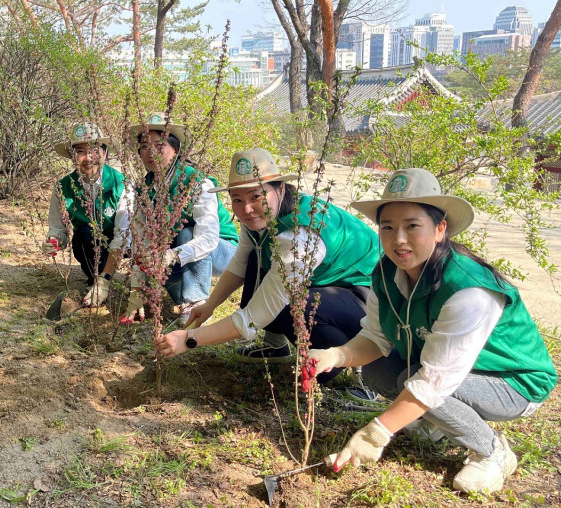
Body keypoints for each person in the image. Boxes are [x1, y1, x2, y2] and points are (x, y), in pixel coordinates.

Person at [306, 168, 557, 493]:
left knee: (417, 385)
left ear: (440, 230)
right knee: (378, 370)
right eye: (388, 227)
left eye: (412, 226)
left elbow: (436, 381)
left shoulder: (467, 289)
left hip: (514, 380)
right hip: (447, 368)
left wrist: (376, 433)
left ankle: (492, 451)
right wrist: (335, 355)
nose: (398, 239)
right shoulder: (387, 273)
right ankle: (434, 421)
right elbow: (375, 339)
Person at [154, 147, 380, 384]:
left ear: (280, 188)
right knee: (257, 258)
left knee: (289, 305)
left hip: (367, 297)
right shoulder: (260, 218)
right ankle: (275, 346)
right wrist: (209, 305)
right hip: (328, 282)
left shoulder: (299, 236)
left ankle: (352, 360)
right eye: (237, 200)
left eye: (256, 196)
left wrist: (190, 339)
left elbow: (256, 316)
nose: (246, 209)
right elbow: (241, 263)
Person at [120, 112, 239, 325]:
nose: (151, 152)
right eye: (145, 146)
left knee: (186, 232)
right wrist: (136, 289)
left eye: (159, 145)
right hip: (180, 254)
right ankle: (185, 299)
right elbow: (142, 241)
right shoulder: (143, 190)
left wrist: (171, 256)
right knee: (156, 243)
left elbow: (209, 238)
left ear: (175, 150)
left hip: (224, 254)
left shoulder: (197, 183)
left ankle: (195, 302)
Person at [44, 123, 132, 306]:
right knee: (84, 233)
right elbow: (57, 228)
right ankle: (94, 278)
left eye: (94, 149)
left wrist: (105, 279)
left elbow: (123, 235)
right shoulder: (63, 186)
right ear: (72, 156)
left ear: (104, 153)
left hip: (121, 243)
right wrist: (53, 241)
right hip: (88, 241)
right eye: (80, 151)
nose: (88, 158)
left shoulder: (121, 183)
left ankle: (104, 279)